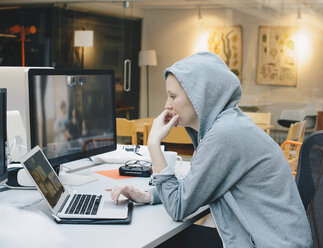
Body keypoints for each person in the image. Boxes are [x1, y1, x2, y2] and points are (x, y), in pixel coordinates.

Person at [107, 52, 312, 247]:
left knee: (161, 242)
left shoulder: (225, 134)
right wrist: (149, 195)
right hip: (265, 238)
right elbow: (194, 187)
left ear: (199, 97)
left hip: (269, 244)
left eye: (172, 96)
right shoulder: (227, 125)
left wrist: (153, 145)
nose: (166, 105)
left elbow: (178, 207)